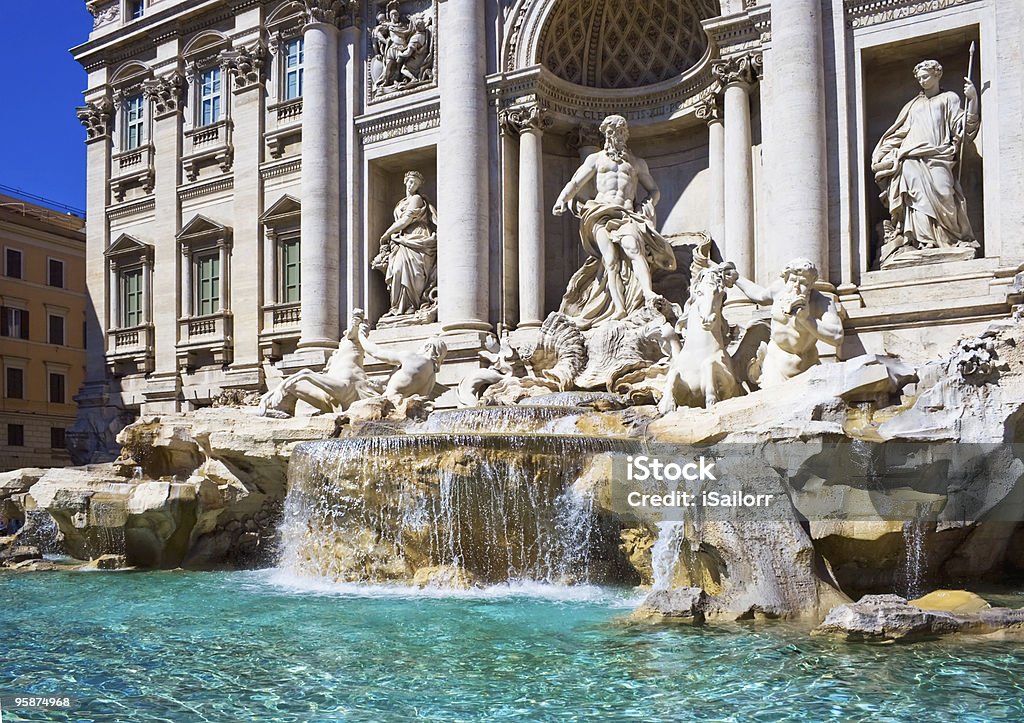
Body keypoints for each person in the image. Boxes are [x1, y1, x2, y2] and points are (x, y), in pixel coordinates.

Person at [553, 114, 676, 328]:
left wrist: (647, 203)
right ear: (605, 134)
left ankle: (647, 294)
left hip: (626, 214)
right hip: (600, 212)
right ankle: (619, 308)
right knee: (609, 260)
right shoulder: (596, 159)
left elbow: (654, 190)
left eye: (620, 132)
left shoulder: (637, 163)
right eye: (612, 132)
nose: (616, 136)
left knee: (633, 248)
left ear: (626, 134)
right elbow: (575, 182)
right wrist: (562, 199)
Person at [871, 59, 980, 266]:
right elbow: (898, 133)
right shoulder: (912, 106)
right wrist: (881, 154)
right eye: (919, 77)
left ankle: (950, 240)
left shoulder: (950, 98)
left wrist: (973, 100)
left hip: (938, 155)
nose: (922, 80)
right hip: (910, 157)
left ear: (937, 74)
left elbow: (964, 129)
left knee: (944, 193)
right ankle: (924, 243)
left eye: (925, 76)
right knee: (916, 200)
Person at [730, 259, 844, 387]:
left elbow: (837, 337)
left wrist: (807, 320)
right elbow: (759, 295)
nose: (796, 286)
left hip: (806, 367)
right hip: (775, 364)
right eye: (792, 280)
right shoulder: (779, 290)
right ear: (785, 279)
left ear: (812, 283)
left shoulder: (822, 302)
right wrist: (736, 278)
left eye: (803, 283)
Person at [372, 171, 438, 317]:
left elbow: (405, 220)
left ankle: (412, 306)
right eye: (410, 182)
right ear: (405, 181)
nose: (412, 185)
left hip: (417, 236)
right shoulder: (401, 203)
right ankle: (397, 308)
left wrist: (387, 234)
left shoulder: (417, 199)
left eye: (415, 183)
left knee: (415, 273)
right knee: (397, 271)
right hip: (402, 239)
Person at [359, 329, 447, 401]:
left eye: (421, 346)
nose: (419, 348)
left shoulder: (412, 358)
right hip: (409, 414)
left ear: (428, 347)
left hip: (385, 407)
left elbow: (376, 352)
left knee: (358, 385)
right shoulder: (432, 377)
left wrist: (361, 336)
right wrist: (383, 381)